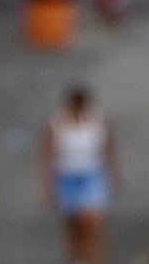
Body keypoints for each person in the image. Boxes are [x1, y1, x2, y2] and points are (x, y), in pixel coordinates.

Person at [42, 87, 119, 264]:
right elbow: (48, 155)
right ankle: (79, 258)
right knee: (75, 228)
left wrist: (113, 174)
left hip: (92, 176)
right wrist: (49, 186)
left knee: (92, 226)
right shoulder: (57, 124)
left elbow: (109, 148)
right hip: (67, 178)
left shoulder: (97, 121)